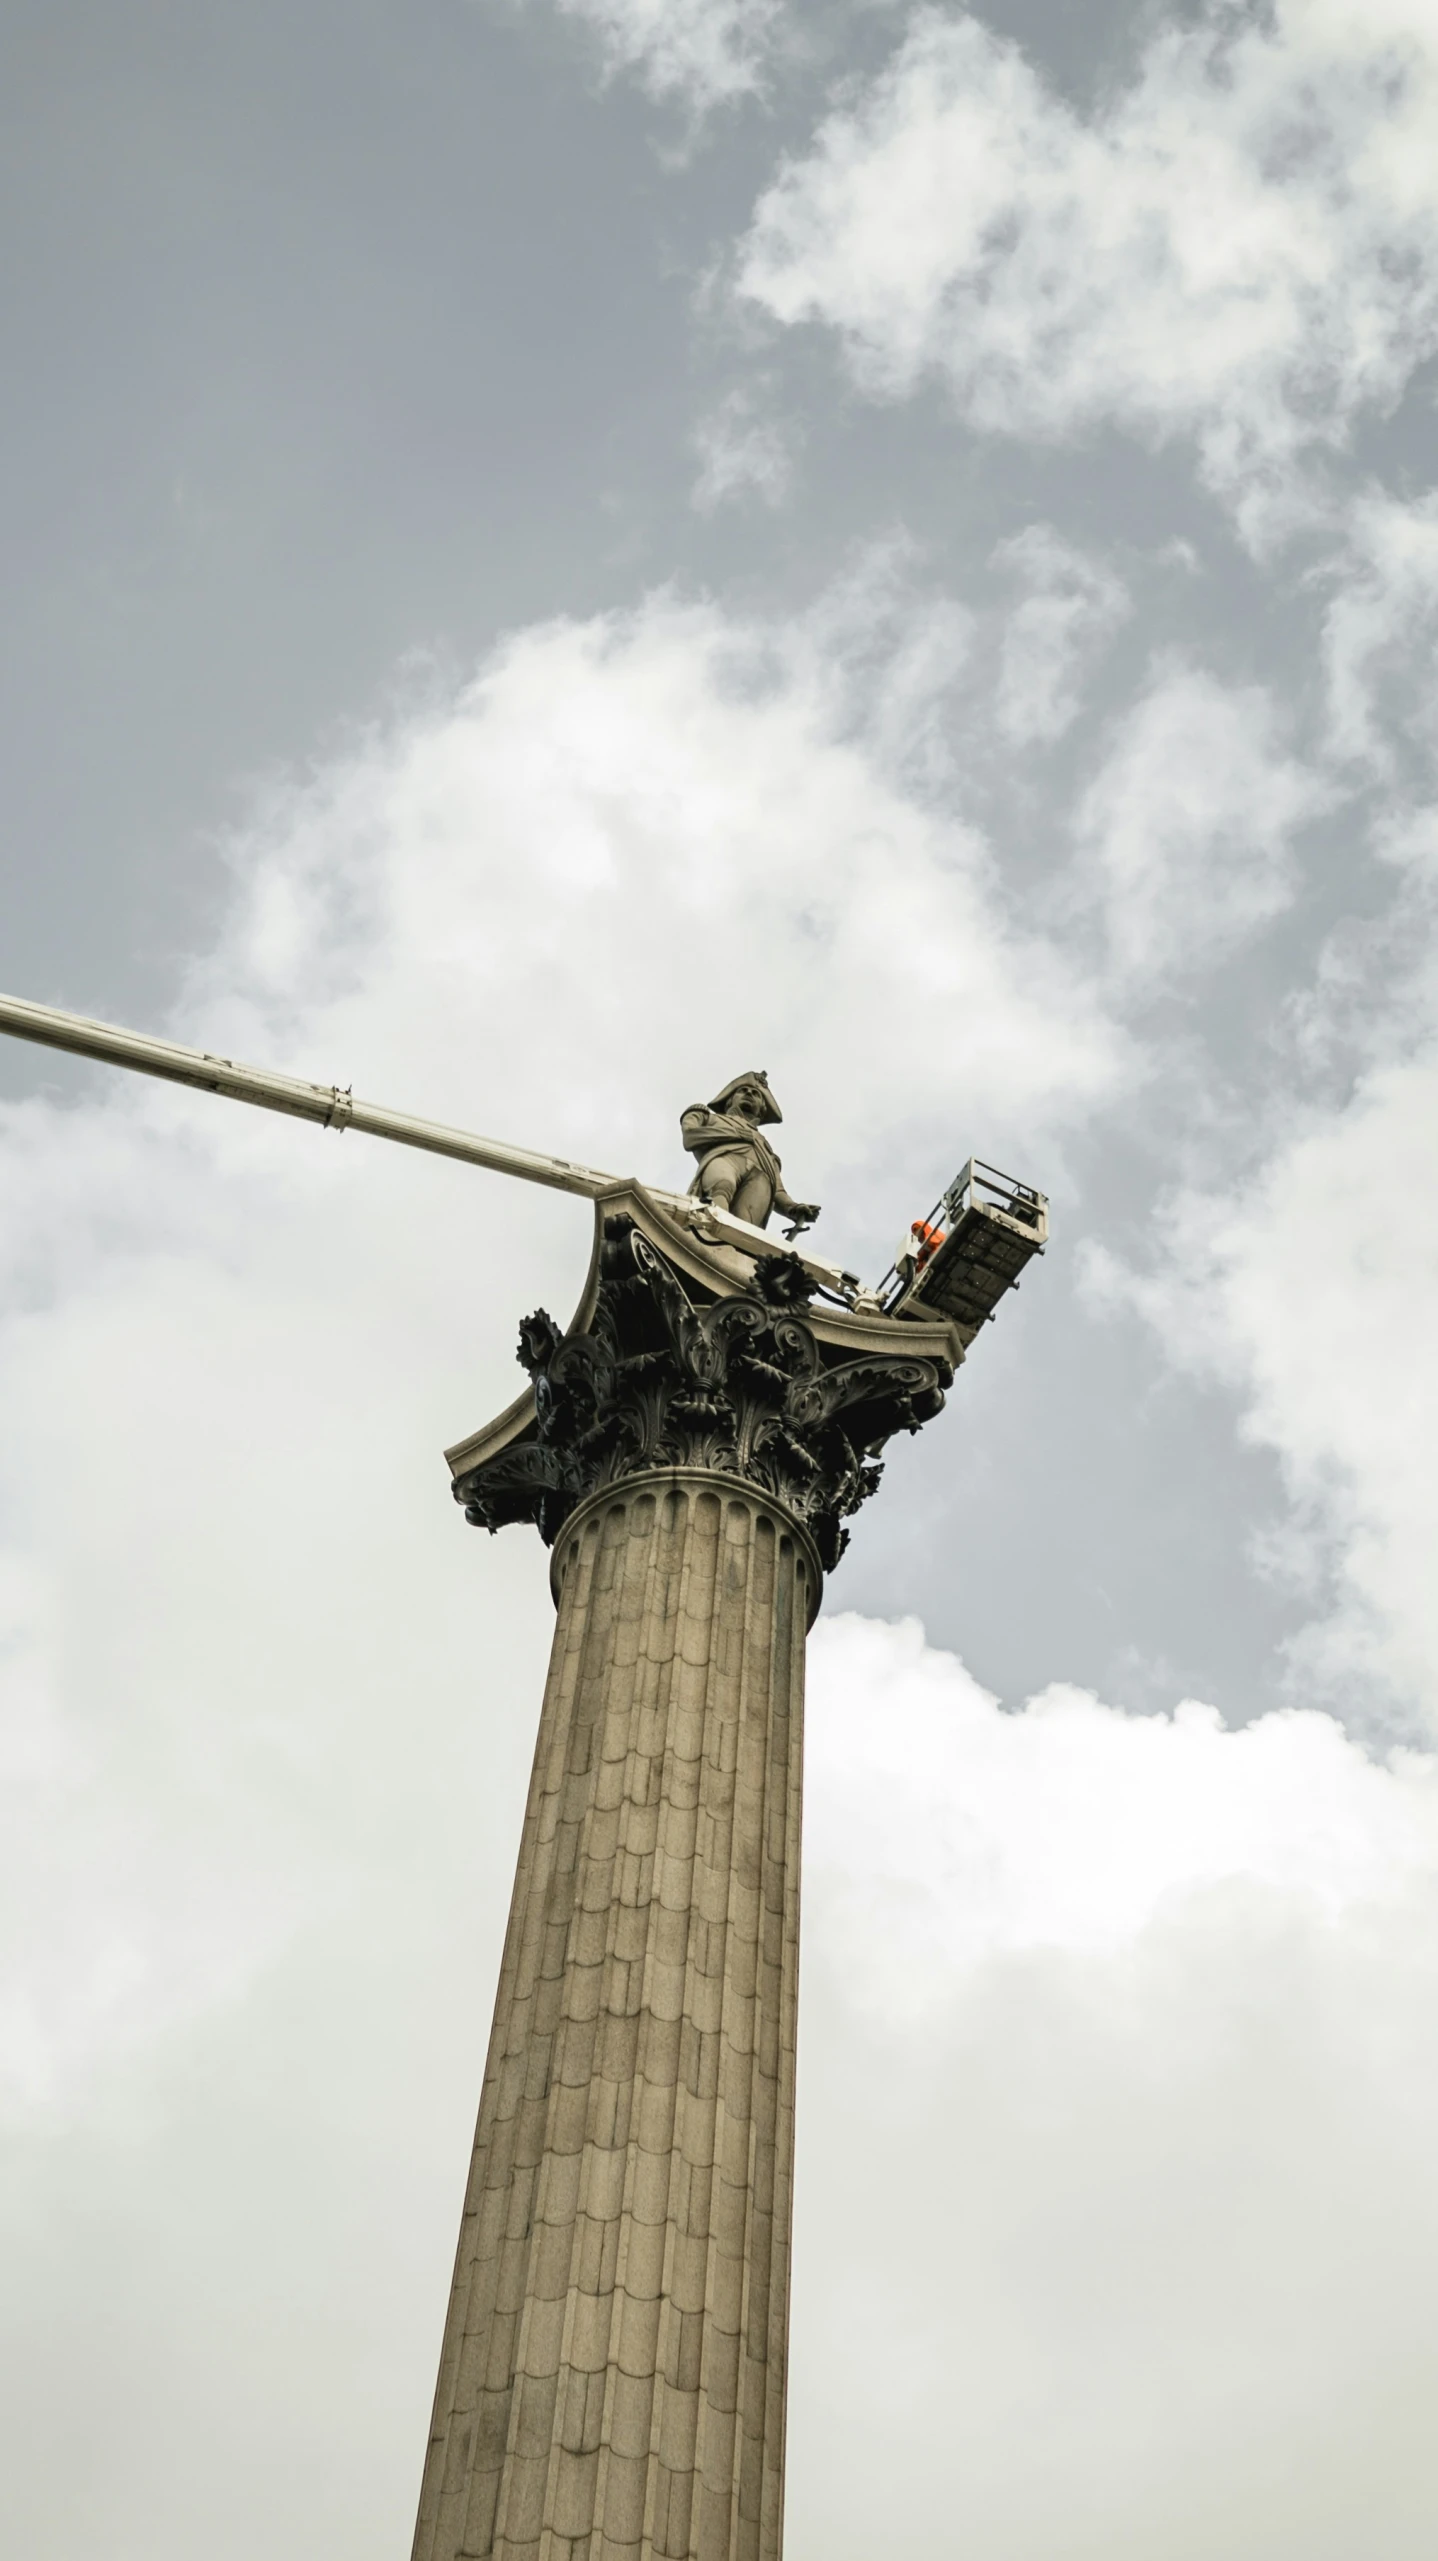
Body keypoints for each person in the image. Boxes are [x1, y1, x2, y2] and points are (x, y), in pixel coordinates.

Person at [680, 1071, 821, 1234]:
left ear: (762, 1108)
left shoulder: (766, 1148)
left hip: (760, 1177)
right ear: (730, 1100)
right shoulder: (711, 1118)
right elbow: (690, 1137)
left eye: (755, 1094)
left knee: (746, 1224)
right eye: (743, 1091)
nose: (749, 1094)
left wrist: (792, 1208)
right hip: (724, 1159)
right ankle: (709, 1236)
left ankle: (730, 1252)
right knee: (722, 1185)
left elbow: (778, 1190)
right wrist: (736, 1135)